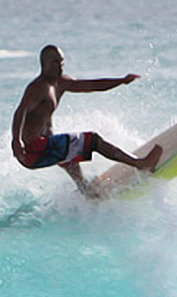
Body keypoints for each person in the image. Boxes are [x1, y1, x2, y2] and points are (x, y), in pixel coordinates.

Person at [11, 45, 162, 197]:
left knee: (70, 156)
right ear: (44, 64)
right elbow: (20, 111)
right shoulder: (38, 88)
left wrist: (121, 81)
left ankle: (87, 192)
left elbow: (92, 85)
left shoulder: (61, 82)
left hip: (45, 147)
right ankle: (141, 164)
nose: (59, 67)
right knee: (93, 140)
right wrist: (16, 141)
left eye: (61, 63)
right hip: (34, 150)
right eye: (55, 63)